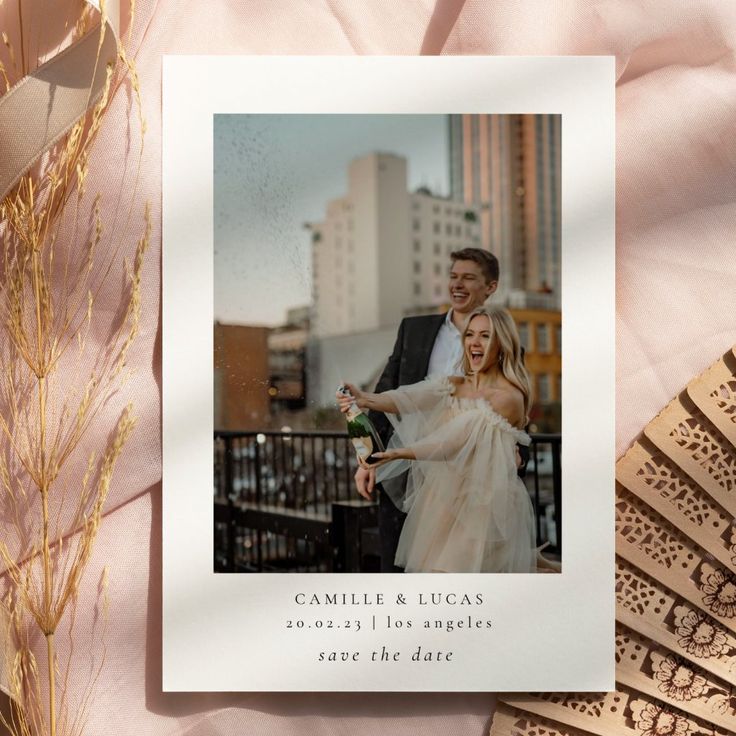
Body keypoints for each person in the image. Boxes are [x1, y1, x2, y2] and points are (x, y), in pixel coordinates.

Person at [352, 247, 528, 572]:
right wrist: (368, 457)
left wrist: (516, 456)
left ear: (490, 287)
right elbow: (391, 392)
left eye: (469, 278)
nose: (457, 285)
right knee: (404, 567)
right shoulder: (414, 330)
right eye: (453, 277)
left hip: (473, 484)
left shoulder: (504, 342)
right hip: (407, 476)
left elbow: (511, 414)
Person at [338, 306, 550, 573]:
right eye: (470, 334)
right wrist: (365, 398)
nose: (474, 342)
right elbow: (409, 397)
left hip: (482, 507)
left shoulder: (507, 397)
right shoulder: (456, 383)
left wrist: (398, 453)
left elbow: (453, 442)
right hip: (442, 501)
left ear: (502, 343)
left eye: (485, 336)